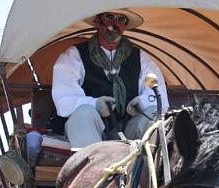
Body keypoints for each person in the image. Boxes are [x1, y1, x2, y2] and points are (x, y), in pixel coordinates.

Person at [52, 10, 169, 147]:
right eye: (110, 17)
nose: (115, 23)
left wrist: (141, 103)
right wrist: (95, 104)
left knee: (154, 114)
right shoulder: (75, 55)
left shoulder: (140, 57)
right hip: (90, 130)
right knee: (83, 113)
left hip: (128, 131)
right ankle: (92, 165)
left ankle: (148, 166)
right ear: (97, 22)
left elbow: (159, 97)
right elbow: (65, 99)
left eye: (121, 20)